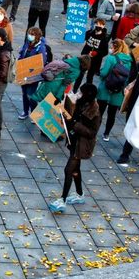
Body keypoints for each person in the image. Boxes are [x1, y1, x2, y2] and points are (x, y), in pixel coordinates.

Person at [49, 84, 102, 213]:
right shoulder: (80, 103)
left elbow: (92, 133)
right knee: (75, 169)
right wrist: (58, 106)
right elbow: (70, 117)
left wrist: (75, 125)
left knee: (69, 170)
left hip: (82, 145)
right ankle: (79, 194)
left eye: (81, 92)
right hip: (74, 141)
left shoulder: (94, 111)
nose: (78, 94)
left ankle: (62, 200)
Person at [97, 39, 134, 141]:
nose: (110, 49)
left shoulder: (111, 58)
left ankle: (95, 131)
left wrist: (101, 74)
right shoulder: (129, 61)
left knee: (99, 112)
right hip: (118, 92)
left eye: (112, 47)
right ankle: (106, 134)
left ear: (115, 48)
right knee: (112, 114)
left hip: (106, 89)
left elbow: (104, 73)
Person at [17, 27, 50, 119]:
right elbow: (22, 53)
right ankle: (25, 111)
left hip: (33, 75)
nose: (30, 36)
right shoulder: (27, 44)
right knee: (24, 93)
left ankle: (34, 112)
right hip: (24, 72)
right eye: (29, 33)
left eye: (32, 34)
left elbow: (41, 61)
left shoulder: (41, 48)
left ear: (37, 36)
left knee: (30, 94)